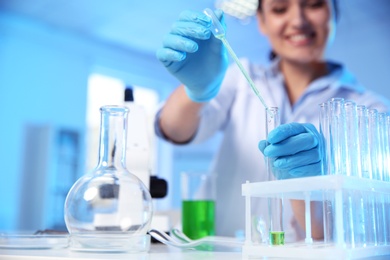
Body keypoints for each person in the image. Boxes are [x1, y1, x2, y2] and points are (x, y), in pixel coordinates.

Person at [154, 0, 390, 242]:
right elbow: (174, 129)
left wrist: (309, 184)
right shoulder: (240, 78)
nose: (298, 21)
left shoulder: (371, 113)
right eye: (279, 9)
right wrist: (198, 90)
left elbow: (350, 229)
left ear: (333, 14)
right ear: (262, 22)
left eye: (314, 4)